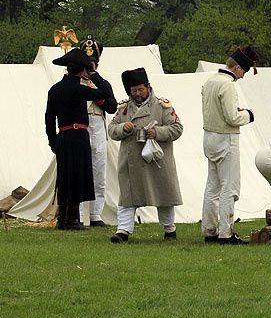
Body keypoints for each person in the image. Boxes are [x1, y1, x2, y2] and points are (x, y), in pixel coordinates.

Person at [107, 68, 184, 243]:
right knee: (127, 197)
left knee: (163, 196)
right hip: (131, 161)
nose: (138, 93)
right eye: (134, 91)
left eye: (141, 89)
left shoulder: (162, 106)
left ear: (148, 87)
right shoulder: (123, 109)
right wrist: (123, 128)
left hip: (157, 161)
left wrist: (157, 132)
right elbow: (112, 130)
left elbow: (177, 128)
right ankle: (123, 230)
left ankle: (169, 229)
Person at [45, 47, 112, 229]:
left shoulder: (54, 90)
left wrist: (53, 142)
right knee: (79, 176)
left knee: (65, 176)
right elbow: (105, 93)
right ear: (82, 70)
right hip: (79, 135)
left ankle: (63, 219)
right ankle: (73, 219)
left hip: (63, 136)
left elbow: (49, 119)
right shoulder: (78, 89)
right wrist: (94, 75)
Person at [201, 45, 258, 244]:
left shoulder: (210, 81)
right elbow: (233, 117)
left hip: (209, 136)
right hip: (226, 138)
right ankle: (226, 233)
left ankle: (209, 231)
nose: (243, 76)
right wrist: (248, 115)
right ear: (237, 68)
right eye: (244, 71)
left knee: (212, 187)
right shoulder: (228, 85)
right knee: (229, 188)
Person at [79, 35, 117, 227]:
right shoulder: (74, 83)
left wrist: (95, 82)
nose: (88, 68)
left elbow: (111, 106)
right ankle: (77, 215)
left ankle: (95, 214)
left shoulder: (102, 83)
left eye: (92, 64)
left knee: (99, 171)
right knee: (80, 171)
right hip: (81, 127)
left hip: (98, 127)